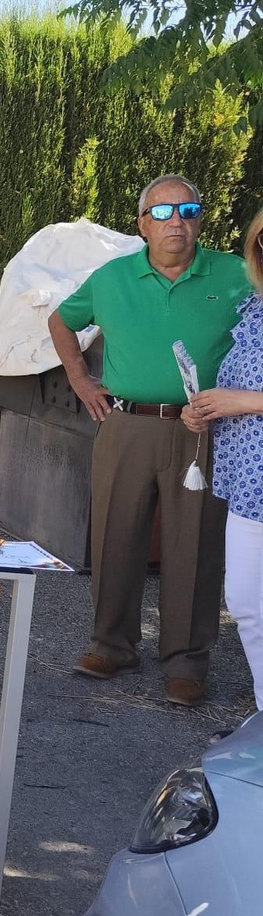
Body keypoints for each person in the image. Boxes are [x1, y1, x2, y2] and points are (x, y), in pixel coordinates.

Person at [52, 175, 249, 706]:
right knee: (116, 535)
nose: (176, 222)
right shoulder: (112, 277)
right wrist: (78, 378)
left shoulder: (236, 275)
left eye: (188, 209)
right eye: (162, 213)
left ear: (200, 218)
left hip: (205, 428)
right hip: (126, 423)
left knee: (195, 545)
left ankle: (186, 661)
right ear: (142, 224)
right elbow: (62, 320)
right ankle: (111, 644)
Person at [184, 206, 263, 718]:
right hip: (248, 480)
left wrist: (243, 402)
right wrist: (209, 410)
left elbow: (249, 396)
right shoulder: (255, 307)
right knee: (247, 605)